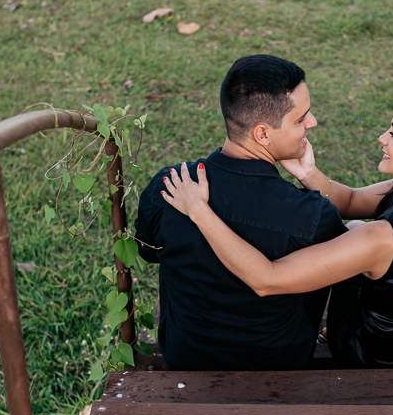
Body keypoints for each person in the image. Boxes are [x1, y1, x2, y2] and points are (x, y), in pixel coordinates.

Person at [160, 91, 393, 368]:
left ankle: (333, 331)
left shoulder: (378, 239)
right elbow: (354, 198)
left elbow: (267, 279)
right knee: (356, 223)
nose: (382, 138)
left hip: (385, 355)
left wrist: (199, 211)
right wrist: (309, 173)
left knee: (350, 229)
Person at [135, 55, 346, 370]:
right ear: (262, 134)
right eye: (301, 118)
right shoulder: (312, 215)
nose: (312, 122)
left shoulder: (171, 187)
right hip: (281, 362)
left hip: (187, 356)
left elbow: (146, 251)